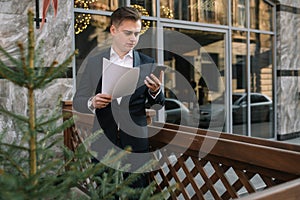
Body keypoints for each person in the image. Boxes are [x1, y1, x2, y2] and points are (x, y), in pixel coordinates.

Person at [72, 6, 165, 190]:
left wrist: (156, 91)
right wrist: (93, 102)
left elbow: (158, 104)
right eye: (128, 33)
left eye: (137, 34)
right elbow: (78, 101)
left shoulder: (147, 62)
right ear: (113, 30)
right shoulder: (94, 62)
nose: (133, 39)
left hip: (137, 145)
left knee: (137, 194)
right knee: (105, 194)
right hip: (103, 144)